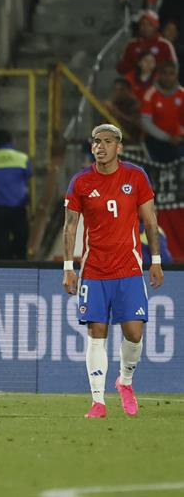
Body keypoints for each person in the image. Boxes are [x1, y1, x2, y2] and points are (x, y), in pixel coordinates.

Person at [62, 123, 164, 419]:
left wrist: (155, 260)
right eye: (96, 141)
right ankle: (98, 401)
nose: (100, 146)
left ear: (119, 147)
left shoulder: (135, 176)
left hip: (129, 269)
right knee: (97, 333)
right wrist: (69, 267)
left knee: (134, 334)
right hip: (94, 271)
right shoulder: (80, 181)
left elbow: (150, 221)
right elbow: (69, 226)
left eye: (107, 141)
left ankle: (125, 382)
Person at [0, 130, 32, 260]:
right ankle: (20, 264)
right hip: (18, 205)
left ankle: (5, 268)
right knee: (21, 238)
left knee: (1, 240)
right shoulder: (22, 158)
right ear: (12, 141)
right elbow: (28, 175)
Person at [140, 59, 184, 162]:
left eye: (171, 73)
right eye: (164, 73)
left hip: (177, 140)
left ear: (176, 75)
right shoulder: (150, 94)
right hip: (154, 141)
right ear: (159, 75)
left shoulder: (182, 94)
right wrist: (167, 138)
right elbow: (146, 122)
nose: (168, 77)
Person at [117, 11, 177, 75]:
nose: (145, 27)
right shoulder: (131, 44)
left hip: (157, 83)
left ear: (156, 27)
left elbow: (174, 68)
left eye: (149, 24)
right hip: (134, 82)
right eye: (142, 24)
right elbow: (121, 69)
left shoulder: (165, 44)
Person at [104, 78, 144, 144]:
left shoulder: (135, 104)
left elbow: (136, 124)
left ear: (128, 91)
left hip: (131, 141)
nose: (118, 93)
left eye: (121, 90)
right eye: (116, 90)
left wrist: (117, 113)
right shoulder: (114, 103)